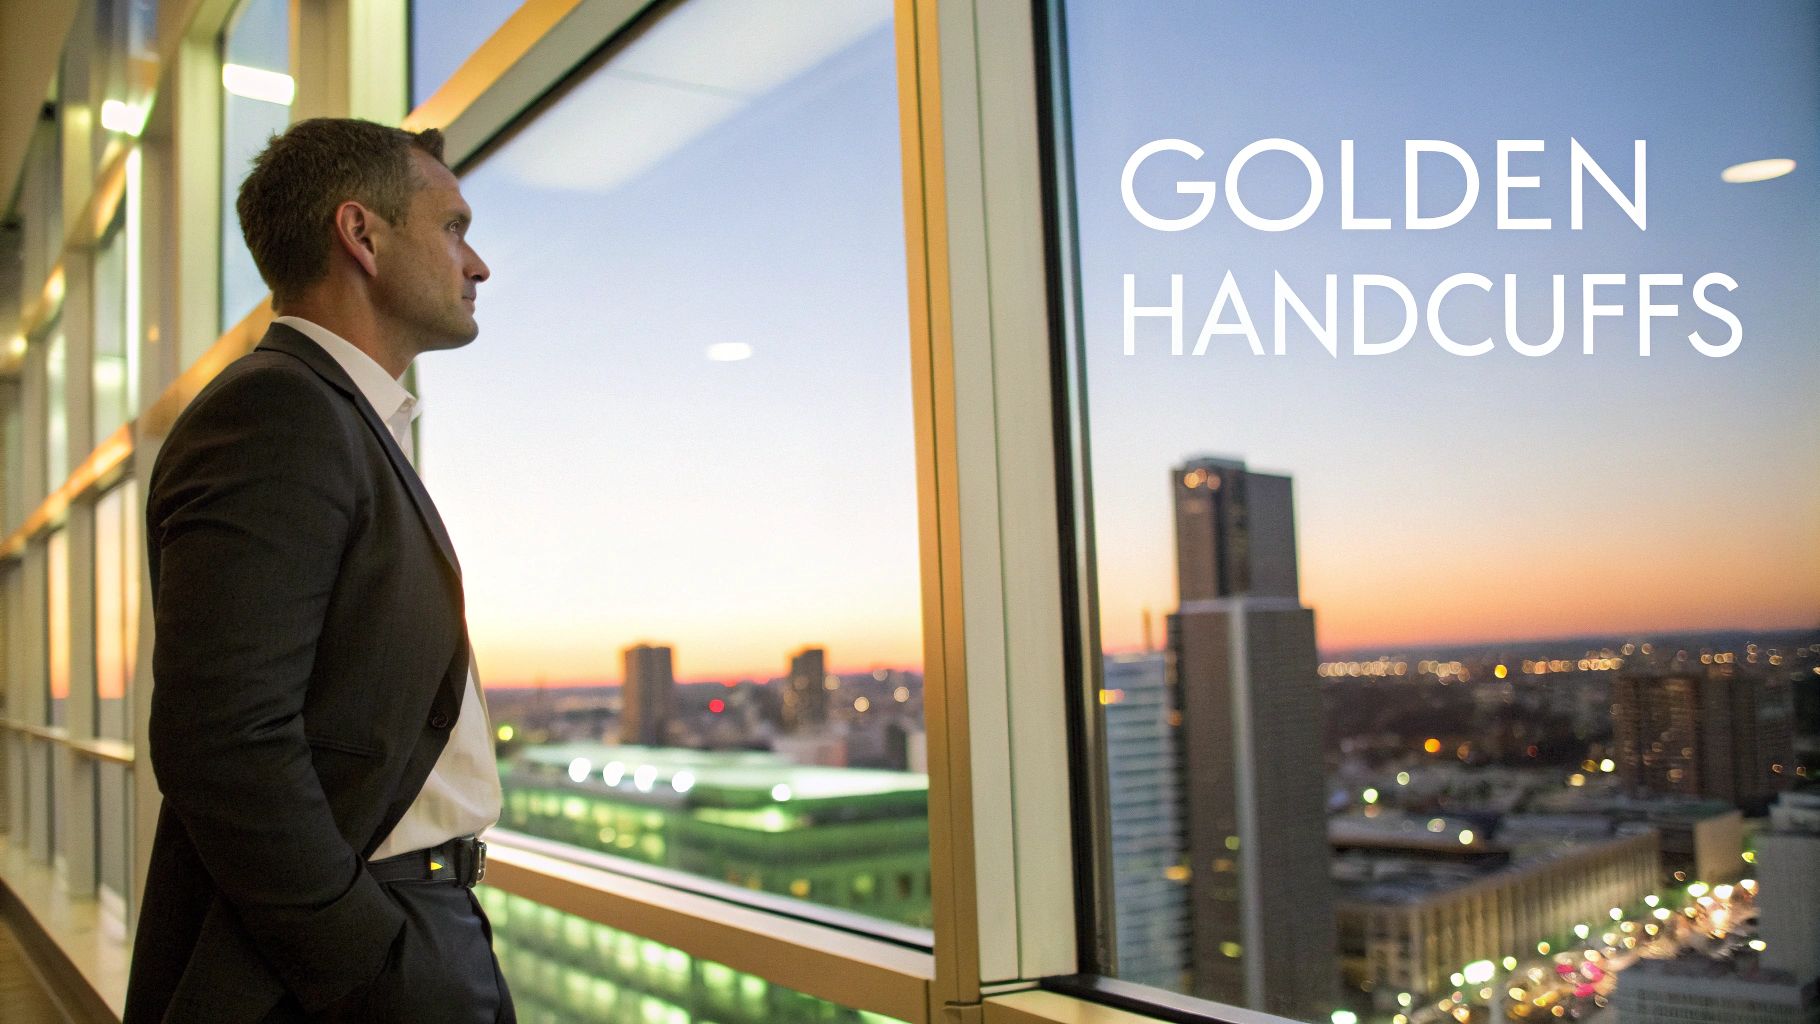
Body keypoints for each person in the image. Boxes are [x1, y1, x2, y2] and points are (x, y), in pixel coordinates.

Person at [122, 117, 510, 1023]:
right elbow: (220, 740)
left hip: (412, 922)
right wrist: (368, 964)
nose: (478, 262)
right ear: (361, 235)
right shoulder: (279, 411)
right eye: (452, 226)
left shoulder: (339, 417)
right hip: (360, 950)